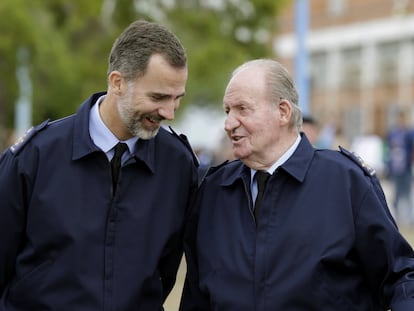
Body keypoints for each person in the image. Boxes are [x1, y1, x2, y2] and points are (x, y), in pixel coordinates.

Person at [179, 59, 414, 310]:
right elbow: (196, 293)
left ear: (283, 112)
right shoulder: (214, 191)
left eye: (242, 109)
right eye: (227, 111)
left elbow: (401, 276)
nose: (229, 123)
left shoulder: (345, 182)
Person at [0, 20, 199, 310]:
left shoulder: (179, 167)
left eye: (177, 99)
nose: (168, 112)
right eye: (158, 97)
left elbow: (166, 272)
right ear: (117, 82)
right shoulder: (35, 156)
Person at [385, 110, 413, 224]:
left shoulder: (409, 133)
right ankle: (396, 218)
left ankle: (408, 219)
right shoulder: (393, 133)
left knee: (406, 194)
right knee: (396, 195)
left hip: (405, 169)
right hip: (395, 169)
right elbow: (389, 150)